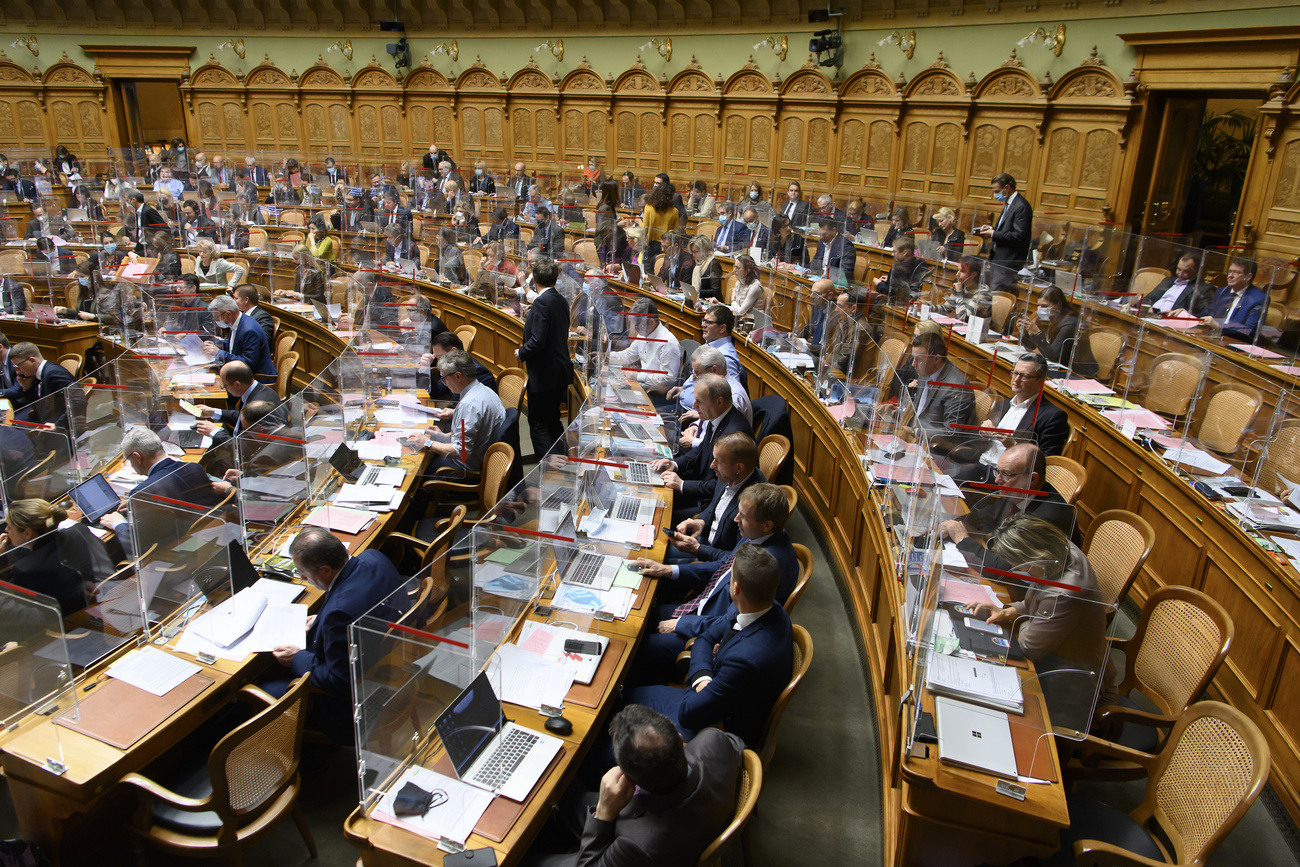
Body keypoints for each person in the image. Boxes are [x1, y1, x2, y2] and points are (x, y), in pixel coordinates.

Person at [625, 543, 793, 749]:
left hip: (714, 730)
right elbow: (705, 637)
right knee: (625, 697)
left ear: (735, 588)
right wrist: (703, 677)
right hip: (711, 694)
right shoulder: (765, 606)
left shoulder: (745, 661)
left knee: (623, 706)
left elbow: (688, 713)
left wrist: (702, 675)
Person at [532, 705, 742, 867]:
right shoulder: (714, 741)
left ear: (630, 781)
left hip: (641, 842)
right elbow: (739, 747)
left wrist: (604, 812)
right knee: (565, 802)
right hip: (678, 817)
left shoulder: (638, 845)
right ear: (679, 739)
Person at [634, 484, 797, 674]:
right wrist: (668, 570)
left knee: (638, 646)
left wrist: (680, 624)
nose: (736, 519)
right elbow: (723, 566)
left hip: (707, 635)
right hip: (703, 607)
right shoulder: (758, 535)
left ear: (767, 524)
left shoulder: (766, 566)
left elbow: (731, 621)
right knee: (639, 613)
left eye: (743, 516)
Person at [262, 528, 404, 743]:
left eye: (303, 573)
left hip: (350, 703)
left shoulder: (340, 613)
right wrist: (322, 619)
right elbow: (363, 601)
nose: (302, 578)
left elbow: (339, 681)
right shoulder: (374, 557)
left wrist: (297, 658)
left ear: (326, 570)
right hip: (388, 661)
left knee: (263, 687)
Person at [965, 513, 1118, 711]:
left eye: (1021, 566)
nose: (1018, 570)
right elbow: (1035, 602)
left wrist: (1021, 619)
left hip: (1071, 687)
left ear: (1035, 558)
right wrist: (1010, 610)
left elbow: (1030, 646)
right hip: (1060, 658)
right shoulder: (1058, 550)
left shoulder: (1063, 594)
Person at [100, 429, 224, 560]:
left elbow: (137, 548)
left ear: (137, 457)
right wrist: (137, 505)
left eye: (128, 459)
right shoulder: (194, 467)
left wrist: (117, 523)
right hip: (213, 540)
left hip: (180, 556)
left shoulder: (143, 492)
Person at [942, 443, 1079, 552]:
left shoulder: (1045, 519)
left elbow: (1005, 567)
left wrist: (963, 540)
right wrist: (951, 524)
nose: (997, 480)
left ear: (1032, 479)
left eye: (1006, 474)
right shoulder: (1017, 493)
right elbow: (981, 517)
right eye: (998, 472)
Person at [663, 432, 764, 567]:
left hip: (714, 561)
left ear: (739, 467)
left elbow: (737, 559)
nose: (712, 465)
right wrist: (700, 521)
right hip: (704, 540)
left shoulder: (753, 504)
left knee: (658, 559)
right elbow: (715, 506)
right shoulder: (729, 475)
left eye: (718, 462)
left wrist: (698, 549)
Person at [655, 375, 752, 509]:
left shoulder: (734, 435)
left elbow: (723, 485)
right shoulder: (717, 418)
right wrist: (674, 464)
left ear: (719, 402)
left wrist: (682, 484)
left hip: (710, 501)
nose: (694, 406)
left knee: (659, 503)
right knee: (656, 485)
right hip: (700, 482)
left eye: (699, 402)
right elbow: (701, 449)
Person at [417, 350, 505, 475]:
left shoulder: (468, 405)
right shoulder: (485, 390)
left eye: (444, 378)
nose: (444, 383)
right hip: (479, 457)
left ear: (458, 376)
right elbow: (470, 436)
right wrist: (442, 436)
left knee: (419, 466)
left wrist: (427, 442)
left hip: (462, 470)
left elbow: (461, 452)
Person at [0, 499, 94, 615]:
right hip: (89, 608)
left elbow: (9, 603)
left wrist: (1, 561)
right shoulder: (75, 533)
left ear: (27, 533)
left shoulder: (25, 569)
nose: (6, 530)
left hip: (66, 621)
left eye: (9, 526)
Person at [517, 258, 572, 457]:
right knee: (552, 421)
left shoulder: (542, 302)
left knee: (538, 423)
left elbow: (538, 340)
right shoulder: (560, 300)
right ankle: (563, 459)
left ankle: (548, 467)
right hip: (559, 371)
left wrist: (521, 352)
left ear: (534, 280)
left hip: (544, 375)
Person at [671, 306, 744, 413]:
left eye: (708, 322)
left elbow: (730, 400)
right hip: (681, 402)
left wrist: (698, 416)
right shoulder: (711, 344)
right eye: (703, 320)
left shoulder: (726, 357)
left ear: (722, 328)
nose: (703, 325)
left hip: (694, 414)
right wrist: (684, 389)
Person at [906, 331, 975, 441]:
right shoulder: (926, 370)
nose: (913, 364)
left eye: (919, 360)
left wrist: (915, 432)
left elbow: (951, 432)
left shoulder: (957, 387)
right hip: (914, 438)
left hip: (933, 445)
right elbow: (919, 409)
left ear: (937, 359)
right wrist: (898, 411)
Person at [609, 298, 681, 404]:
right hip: (641, 385)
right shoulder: (644, 334)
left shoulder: (668, 343)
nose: (635, 328)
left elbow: (668, 379)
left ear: (651, 322)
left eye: (638, 324)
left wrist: (637, 376)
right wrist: (606, 357)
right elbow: (628, 355)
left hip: (655, 394)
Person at [3, 342, 84, 431]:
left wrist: (58, 425)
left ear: (32, 360)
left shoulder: (53, 373)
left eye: (18, 365)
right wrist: (27, 388)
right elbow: (37, 407)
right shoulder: (37, 375)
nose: (17, 371)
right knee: (11, 425)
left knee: (11, 429)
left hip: (59, 428)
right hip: (44, 419)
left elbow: (78, 401)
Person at [1024, 285, 1098, 376]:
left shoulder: (1070, 322)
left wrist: (1036, 332)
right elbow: (1030, 346)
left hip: (1077, 372)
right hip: (1059, 366)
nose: (1040, 309)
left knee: (1030, 375)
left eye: (1044, 306)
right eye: (1038, 305)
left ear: (1058, 305)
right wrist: (1024, 332)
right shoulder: (1049, 316)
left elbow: (1053, 356)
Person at [977, 172, 1034, 289]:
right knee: (993, 293)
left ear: (1007, 187)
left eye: (997, 191)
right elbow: (1007, 229)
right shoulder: (1010, 203)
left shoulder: (1021, 206)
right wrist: (992, 229)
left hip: (1008, 263)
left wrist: (993, 234)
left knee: (999, 295)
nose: (995, 195)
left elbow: (1018, 235)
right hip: (999, 260)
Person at [204, 294, 276, 379]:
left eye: (217, 319)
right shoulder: (238, 321)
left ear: (228, 314)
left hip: (257, 378)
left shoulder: (249, 330)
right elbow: (234, 343)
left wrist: (219, 353)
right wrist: (216, 344)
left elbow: (248, 363)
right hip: (241, 375)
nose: (217, 322)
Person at [420, 330, 494, 402]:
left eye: (439, 357)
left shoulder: (478, 371)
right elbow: (437, 392)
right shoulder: (452, 368)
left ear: (453, 351)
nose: (438, 362)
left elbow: (480, 405)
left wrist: (454, 410)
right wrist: (425, 369)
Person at [1205, 258, 1267, 342]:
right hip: (1211, 338)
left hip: (1235, 343)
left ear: (1248, 277)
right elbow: (1208, 313)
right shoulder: (1222, 291)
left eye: (1236, 272)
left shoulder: (1258, 298)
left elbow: (1249, 331)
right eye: (1230, 271)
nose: (1230, 276)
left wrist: (1218, 326)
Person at [1143, 254, 1211, 316]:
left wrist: (1184, 313)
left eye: (1186, 271)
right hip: (1149, 316)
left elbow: (1205, 316)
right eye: (1178, 269)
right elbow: (1147, 299)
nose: (1180, 274)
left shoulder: (1204, 289)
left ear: (1197, 271)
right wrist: (1147, 307)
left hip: (1170, 321)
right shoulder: (1167, 281)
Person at [931, 256, 992, 321]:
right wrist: (928, 306)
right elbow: (946, 308)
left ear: (973, 275)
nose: (957, 274)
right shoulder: (962, 286)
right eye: (958, 270)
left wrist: (959, 293)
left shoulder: (983, 293)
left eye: (962, 271)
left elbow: (962, 317)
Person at [873, 237, 931, 302]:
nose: (892, 254)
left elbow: (891, 293)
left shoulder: (897, 269)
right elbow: (909, 282)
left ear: (904, 252)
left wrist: (879, 284)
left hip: (898, 303)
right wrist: (890, 279)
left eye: (894, 251)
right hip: (914, 301)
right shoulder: (921, 264)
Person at [638, 177, 679, 268]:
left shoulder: (648, 207)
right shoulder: (674, 211)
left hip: (651, 244)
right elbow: (674, 232)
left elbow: (645, 228)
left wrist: (639, 222)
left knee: (647, 270)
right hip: (665, 246)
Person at [728, 255, 766, 320]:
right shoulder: (738, 283)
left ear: (747, 271)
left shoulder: (755, 287)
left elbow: (740, 312)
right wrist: (718, 304)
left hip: (752, 322)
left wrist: (733, 300)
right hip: (741, 319)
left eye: (738, 268)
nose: (734, 270)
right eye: (734, 266)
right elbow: (735, 309)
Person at [688, 236, 723, 303]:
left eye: (696, 251)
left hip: (712, 303)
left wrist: (698, 292)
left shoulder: (713, 264)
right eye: (692, 252)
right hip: (699, 300)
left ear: (705, 250)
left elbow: (715, 291)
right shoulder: (698, 264)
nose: (693, 255)